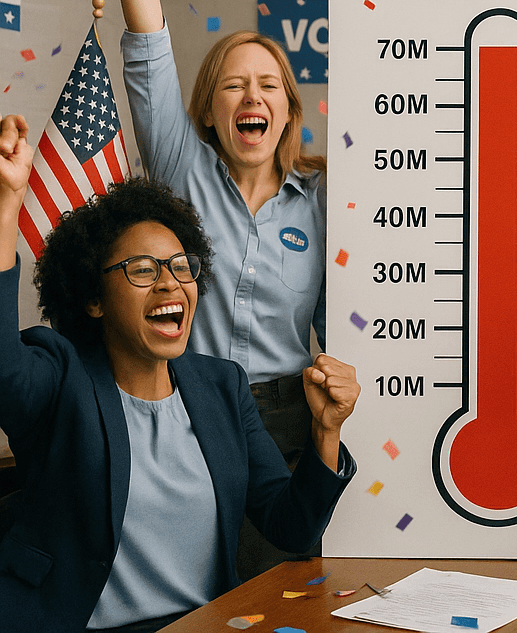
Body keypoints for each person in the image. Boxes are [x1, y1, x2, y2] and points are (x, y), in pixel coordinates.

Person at [0, 114, 359, 633]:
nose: (170, 284)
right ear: (94, 300)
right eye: (142, 270)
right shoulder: (60, 374)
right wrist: (7, 206)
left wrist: (326, 431)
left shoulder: (222, 385)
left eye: (181, 266)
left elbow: (291, 526)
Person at [101, 0, 329, 578]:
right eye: (234, 84)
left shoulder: (325, 201)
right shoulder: (181, 170)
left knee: (281, 597)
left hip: (295, 423)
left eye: (268, 85)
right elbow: (146, 33)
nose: (251, 96)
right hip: (192, 411)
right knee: (197, 594)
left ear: (289, 111)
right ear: (208, 109)